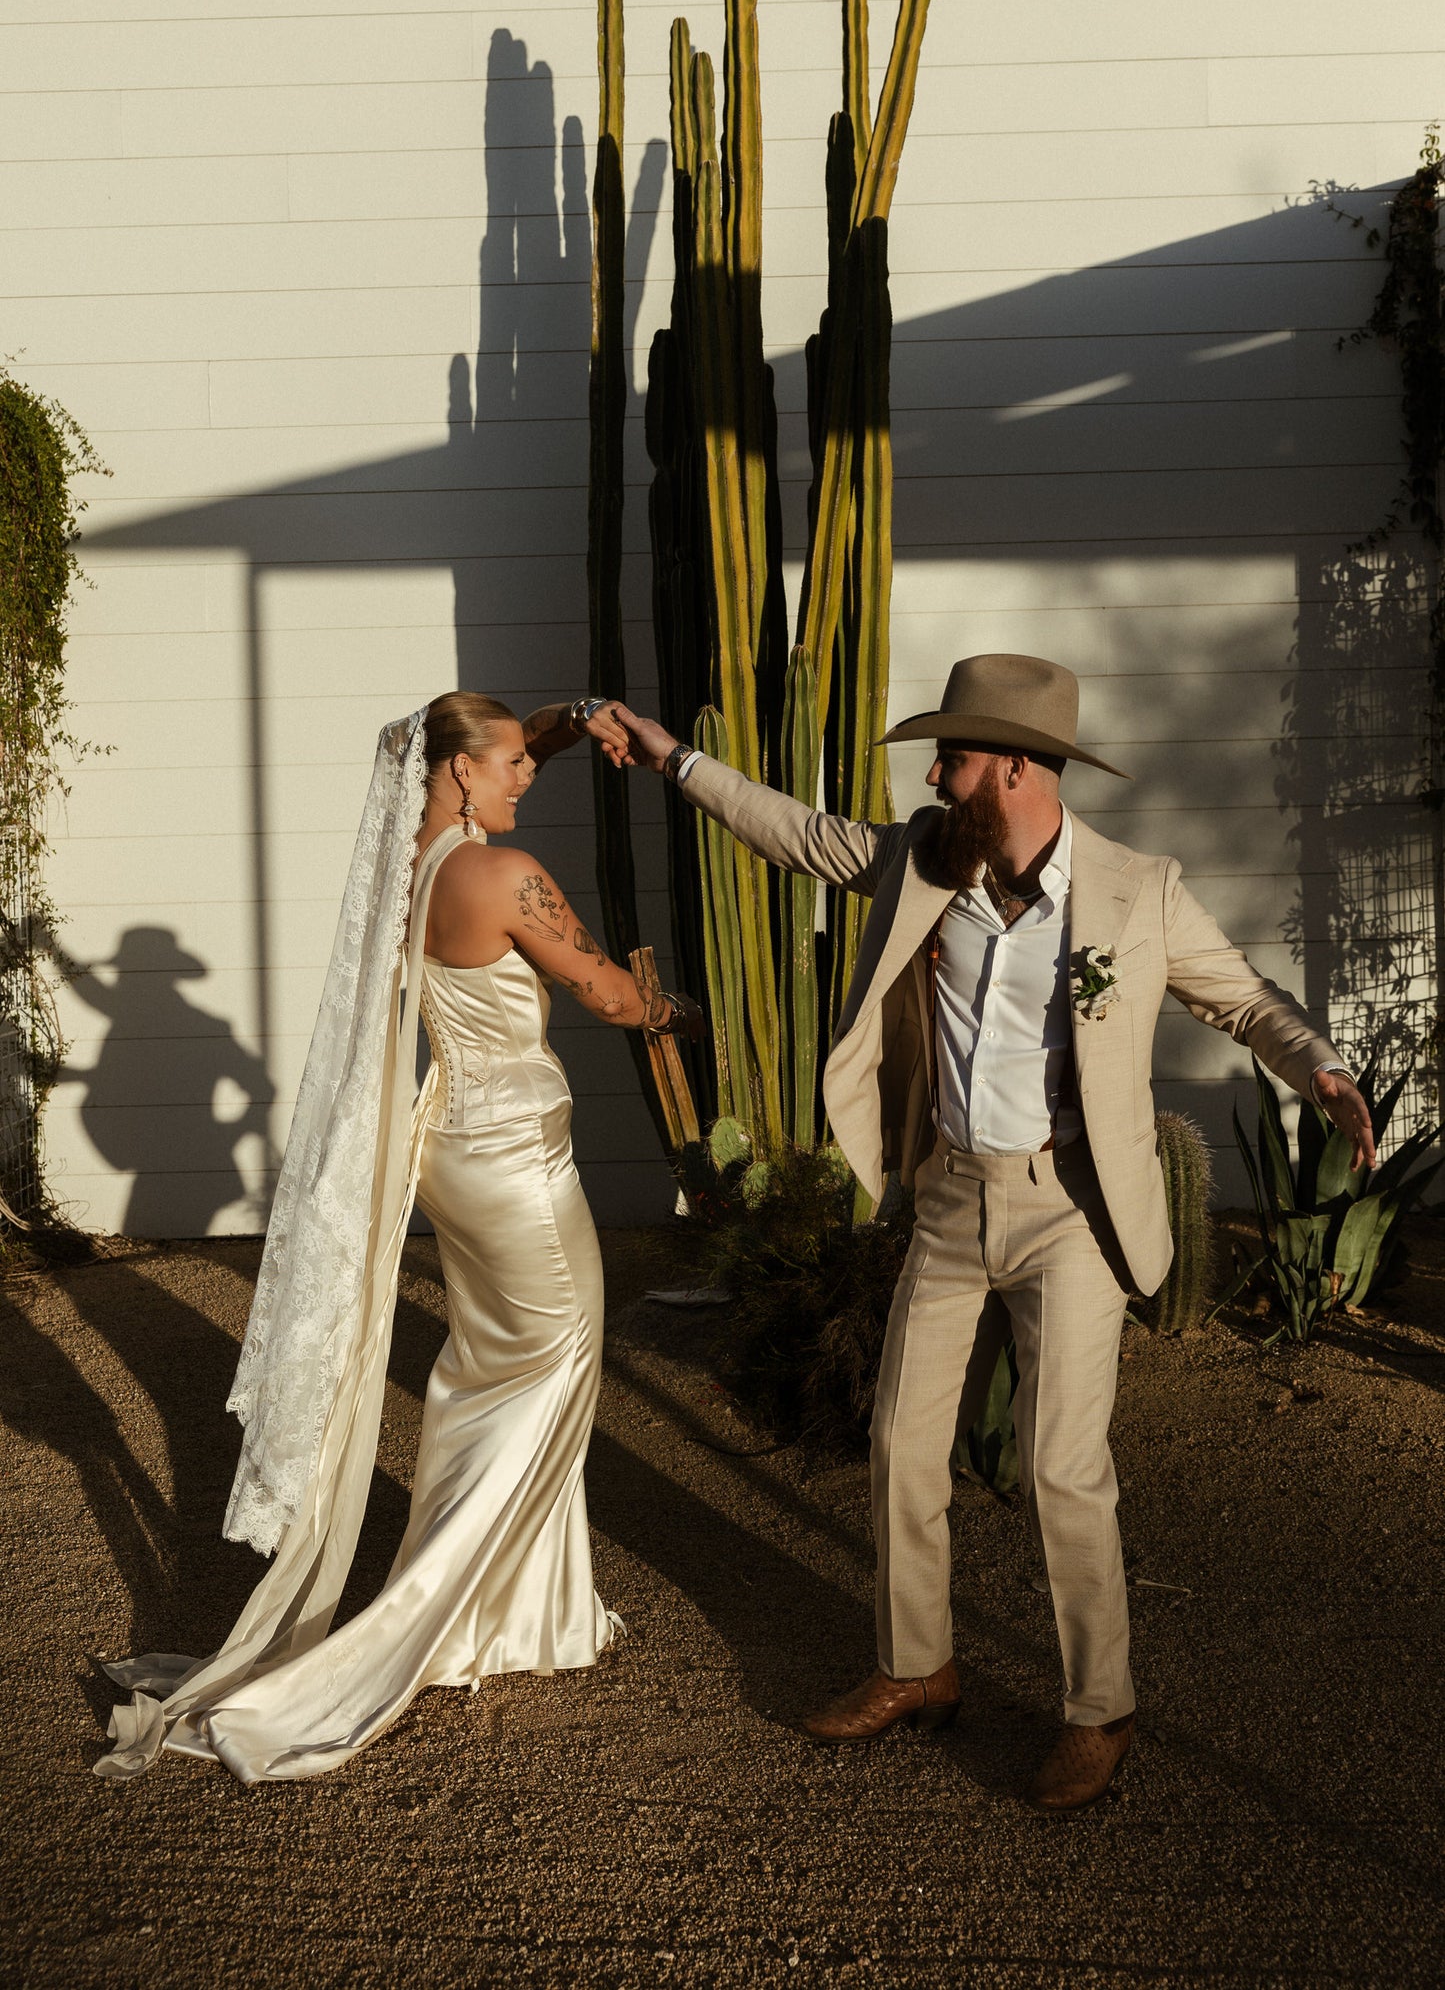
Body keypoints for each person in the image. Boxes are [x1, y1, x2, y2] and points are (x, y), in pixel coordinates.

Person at [617, 654, 1374, 1813]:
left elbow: (1238, 994)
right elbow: (793, 831)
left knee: (1058, 1463)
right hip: (951, 1195)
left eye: (954, 755)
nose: (933, 771)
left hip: (1072, 1207)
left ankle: (1096, 1706)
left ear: (1013, 767)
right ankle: (916, 1663)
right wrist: (675, 757)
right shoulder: (924, 858)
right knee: (898, 1442)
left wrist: (1317, 1063)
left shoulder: (1136, 889)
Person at [96, 691, 699, 1784]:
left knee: (485, 1371)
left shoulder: (413, 864)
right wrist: (665, 1012)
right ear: (461, 771)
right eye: (512, 764)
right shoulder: (502, 876)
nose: (527, 779)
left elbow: (496, 780)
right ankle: (441, 1618)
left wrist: (561, 723)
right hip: (517, 1158)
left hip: (457, 1155)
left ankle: (526, 1608)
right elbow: (607, 991)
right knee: (552, 1362)